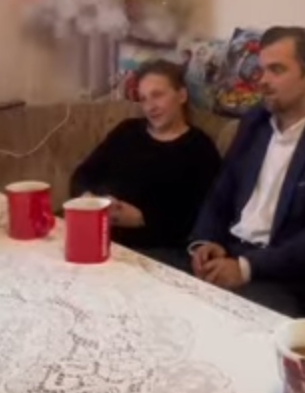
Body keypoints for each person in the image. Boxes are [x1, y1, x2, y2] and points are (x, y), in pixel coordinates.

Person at [188, 26, 305, 319]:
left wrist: (246, 268)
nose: (263, 80)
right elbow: (220, 194)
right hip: (232, 253)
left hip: (290, 280)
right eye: (261, 70)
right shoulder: (253, 124)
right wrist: (207, 241)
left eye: (277, 70)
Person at [70, 59, 221, 266]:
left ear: (182, 95)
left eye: (157, 95)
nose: (150, 107)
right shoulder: (127, 131)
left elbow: (200, 218)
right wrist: (91, 200)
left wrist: (142, 219)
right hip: (95, 229)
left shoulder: (200, 149)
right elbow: (82, 175)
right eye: (143, 99)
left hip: (150, 249)